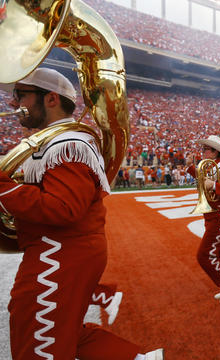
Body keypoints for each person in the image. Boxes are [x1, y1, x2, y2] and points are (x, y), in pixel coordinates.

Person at [0, 68, 162, 359]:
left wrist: (4, 188)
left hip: (59, 255)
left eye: (21, 95)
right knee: (66, 332)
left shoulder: (68, 144)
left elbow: (63, 209)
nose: (13, 103)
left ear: (50, 99)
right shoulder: (57, 141)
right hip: (60, 252)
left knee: (35, 335)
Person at [186, 135, 220, 304]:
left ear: (215, 152)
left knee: (205, 255)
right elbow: (203, 179)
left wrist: (214, 186)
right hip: (212, 216)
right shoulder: (211, 167)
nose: (203, 152)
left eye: (206, 149)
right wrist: (190, 167)